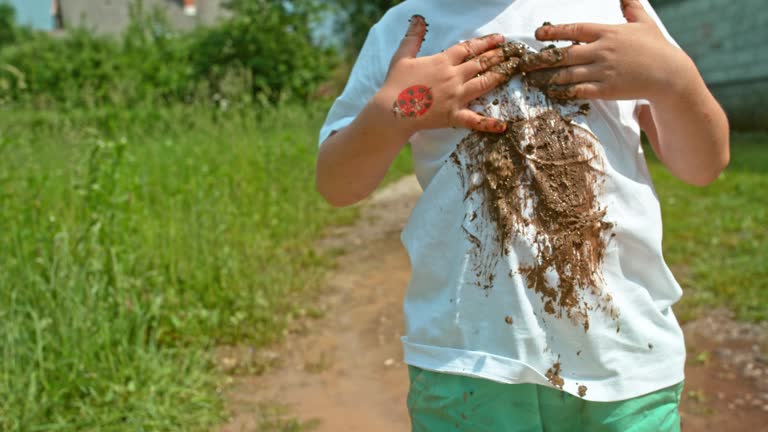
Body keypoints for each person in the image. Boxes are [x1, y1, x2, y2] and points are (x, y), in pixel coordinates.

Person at [315, 0, 730, 430]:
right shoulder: (404, 28)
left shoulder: (618, 8)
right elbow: (336, 184)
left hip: (625, 364)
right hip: (470, 366)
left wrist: (677, 82)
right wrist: (401, 108)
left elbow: (704, 166)